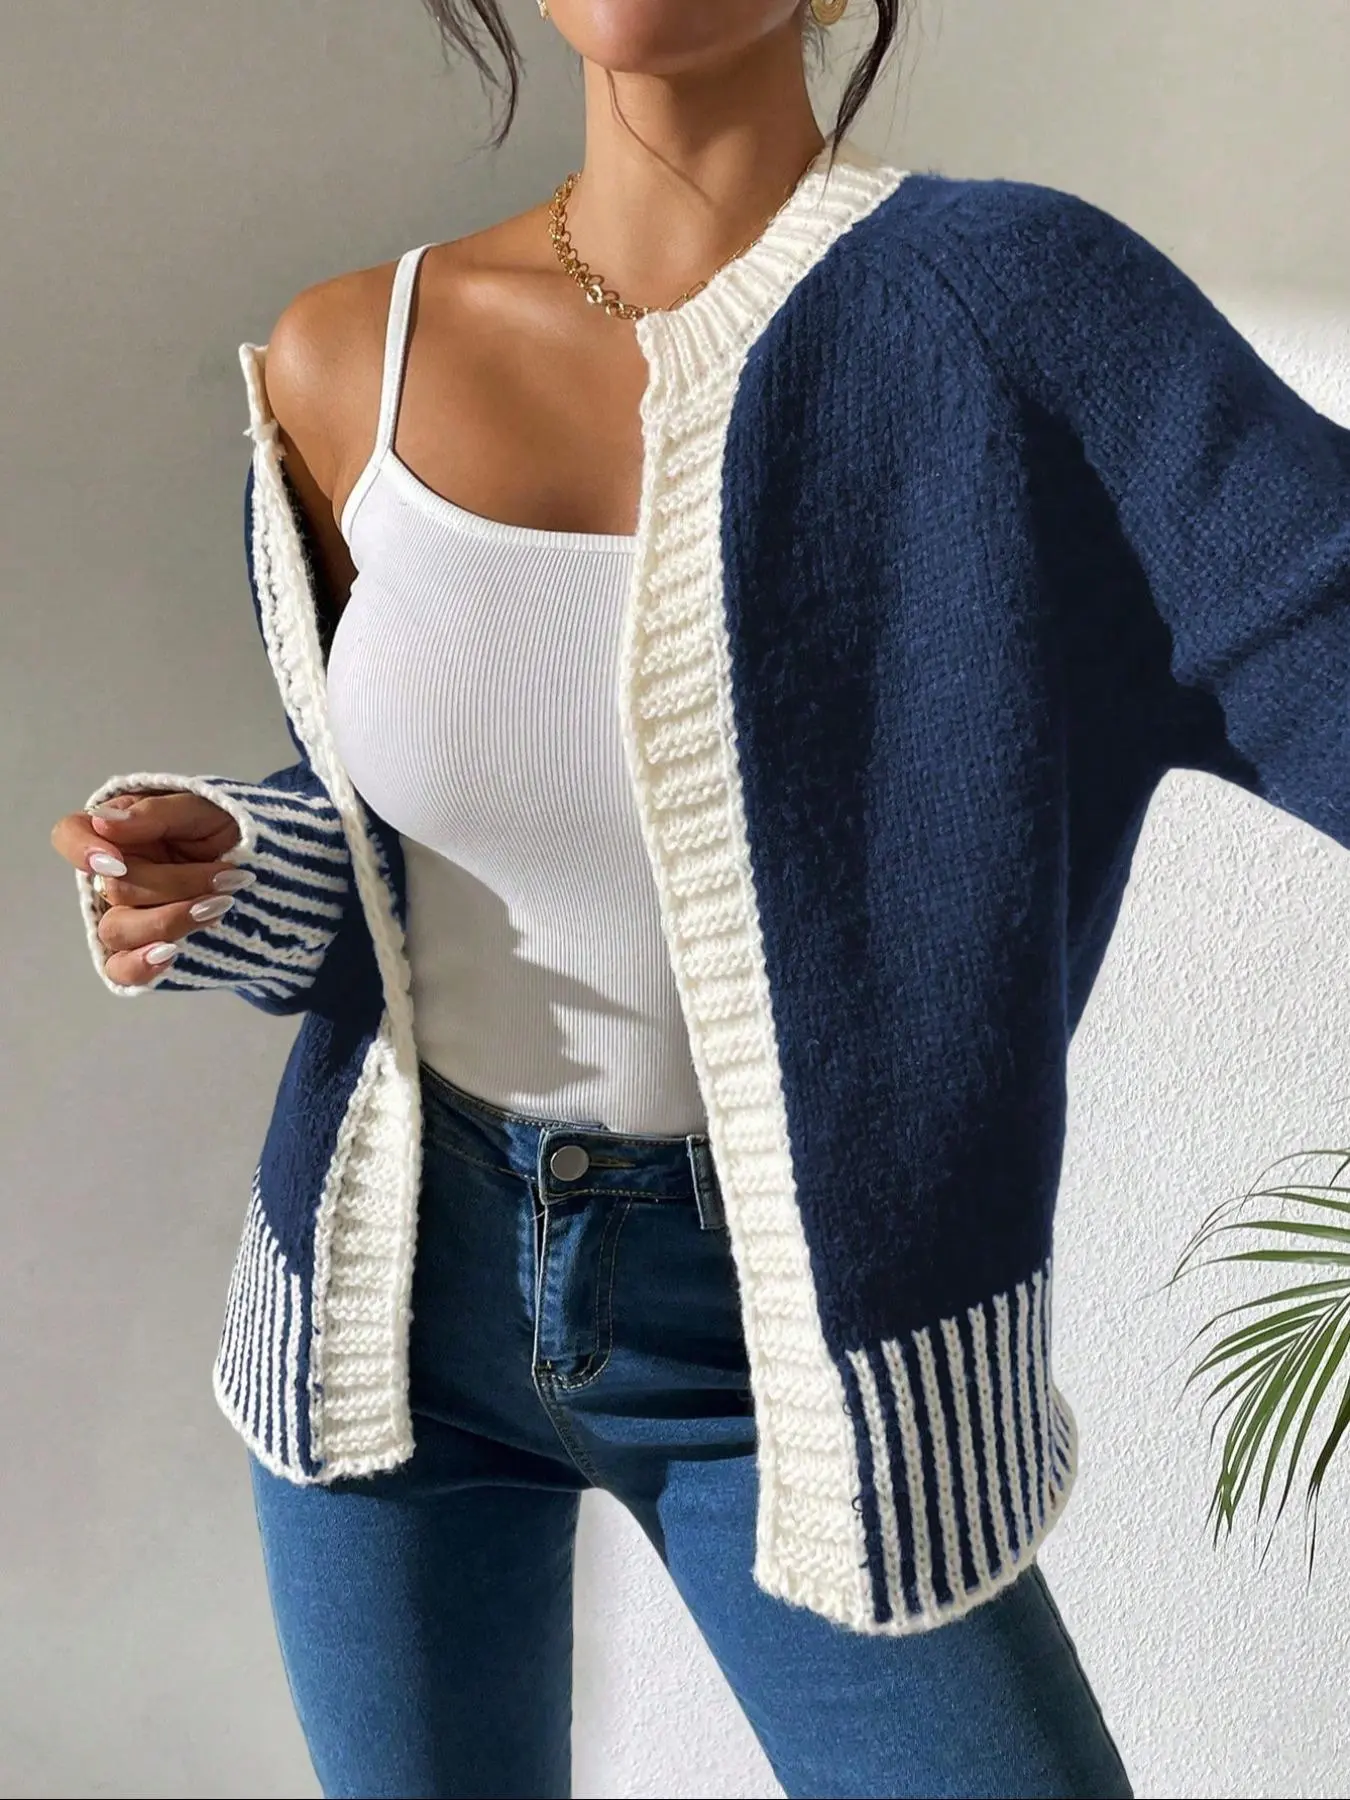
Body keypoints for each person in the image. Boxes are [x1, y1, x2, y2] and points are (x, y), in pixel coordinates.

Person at [50, 2, 1350, 1795]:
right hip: (385, 1315)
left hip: (811, 1354)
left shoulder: (1022, 312)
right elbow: (434, 852)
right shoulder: (352, 351)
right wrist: (236, 869)